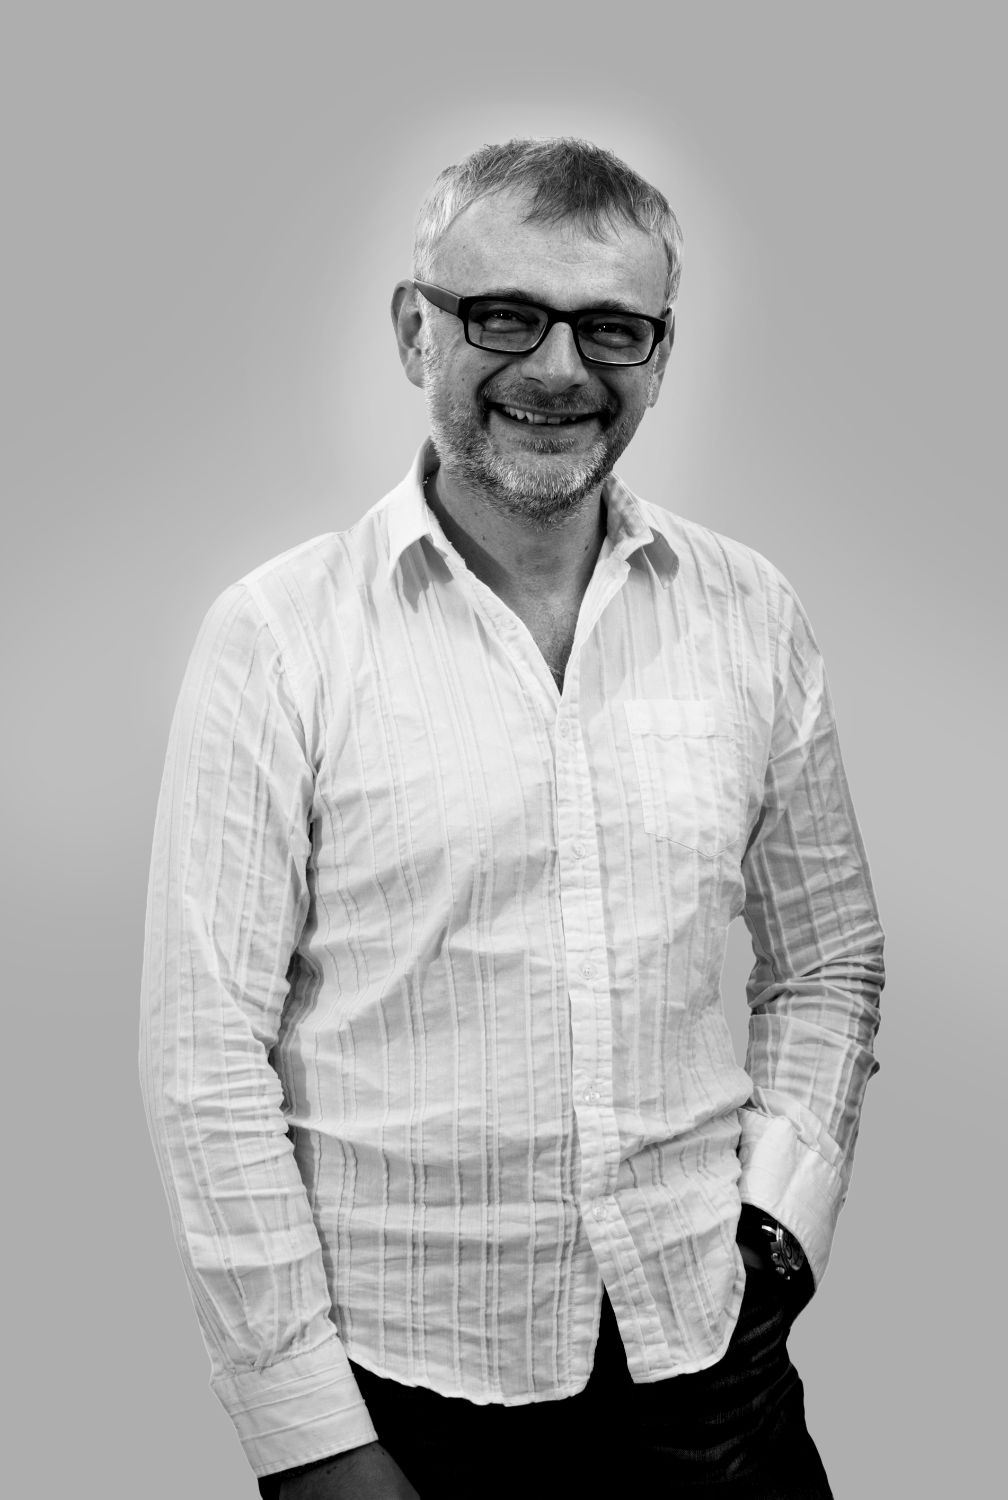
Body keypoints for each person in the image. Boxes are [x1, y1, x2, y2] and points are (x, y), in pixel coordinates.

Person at [140, 137, 884, 1498]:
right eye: (503, 315)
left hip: (714, 1367)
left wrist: (779, 1227)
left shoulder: (751, 614)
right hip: (412, 1397)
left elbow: (829, 960)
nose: (557, 369)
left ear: (660, 353)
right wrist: (309, 1438)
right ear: (413, 331)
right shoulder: (279, 639)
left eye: (609, 327)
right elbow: (205, 1061)